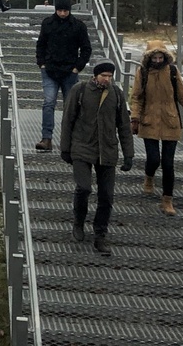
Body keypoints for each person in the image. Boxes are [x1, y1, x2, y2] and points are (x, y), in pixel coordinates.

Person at [129, 40, 183, 216]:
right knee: (153, 159)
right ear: (149, 57)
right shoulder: (143, 73)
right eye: (155, 57)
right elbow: (136, 97)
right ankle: (149, 178)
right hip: (149, 121)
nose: (158, 60)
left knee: (168, 163)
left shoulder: (173, 72)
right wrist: (135, 118)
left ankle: (167, 200)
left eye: (161, 57)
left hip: (171, 122)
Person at [60, 60, 134, 256]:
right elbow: (68, 119)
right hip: (82, 147)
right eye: (104, 76)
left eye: (110, 76)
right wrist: (65, 148)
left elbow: (124, 126)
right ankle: (78, 221)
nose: (107, 79)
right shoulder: (81, 90)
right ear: (96, 76)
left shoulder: (116, 95)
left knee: (106, 196)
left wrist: (129, 154)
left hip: (107, 150)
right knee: (84, 187)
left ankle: (100, 234)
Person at [34, 0, 92, 151]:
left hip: (70, 73)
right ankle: (46, 138)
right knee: (48, 103)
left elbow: (86, 49)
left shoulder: (78, 26)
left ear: (69, 10)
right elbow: (41, 45)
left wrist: (77, 68)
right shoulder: (47, 24)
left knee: (71, 107)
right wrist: (42, 63)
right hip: (50, 71)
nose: (62, 14)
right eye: (59, 10)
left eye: (65, 10)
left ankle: (70, 140)